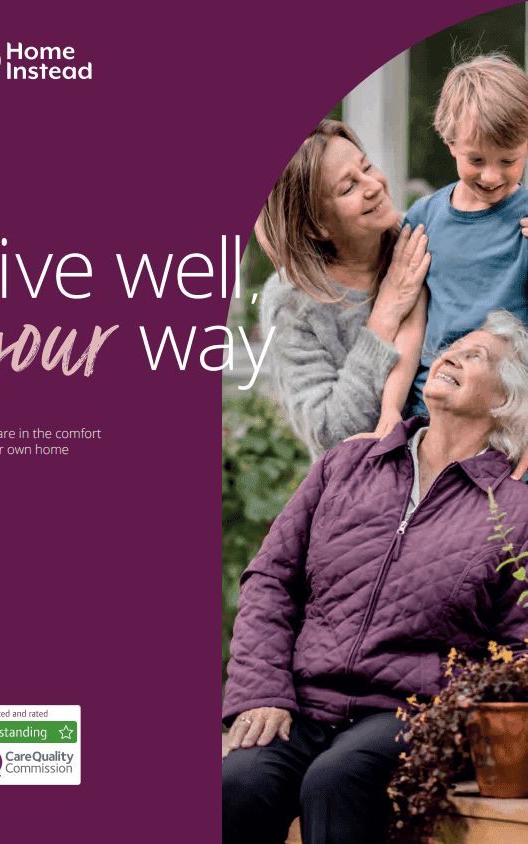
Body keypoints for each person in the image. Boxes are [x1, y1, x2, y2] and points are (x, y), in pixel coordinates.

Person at [222, 310, 528, 844]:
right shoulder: (347, 463)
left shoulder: (515, 509)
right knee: (238, 782)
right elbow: (271, 579)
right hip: (302, 699)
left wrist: (454, 710)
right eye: (453, 346)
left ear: (505, 401)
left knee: (337, 781)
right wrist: (261, 692)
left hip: (411, 714)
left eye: (476, 356)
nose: (451, 354)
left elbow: (518, 647)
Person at [383, 54, 528, 478]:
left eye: (509, 160)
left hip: (505, 420)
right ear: (449, 142)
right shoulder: (424, 220)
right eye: (476, 160)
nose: (491, 176)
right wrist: (391, 409)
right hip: (430, 414)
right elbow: (413, 324)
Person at [256, 119, 431, 462]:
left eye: (366, 167)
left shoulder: (423, 239)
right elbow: (331, 435)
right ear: (316, 225)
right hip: (369, 494)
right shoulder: (290, 301)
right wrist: (385, 314)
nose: (374, 186)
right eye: (348, 188)